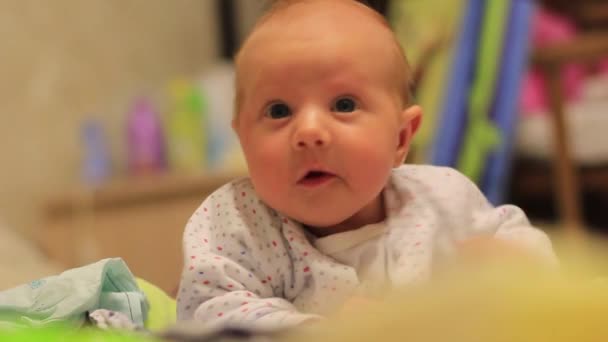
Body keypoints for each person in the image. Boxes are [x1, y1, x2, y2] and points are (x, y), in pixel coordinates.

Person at [176, 0, 556, 332]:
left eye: (343, 105)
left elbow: (521, 255)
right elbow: (212, 313)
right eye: (278, 111)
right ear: (244, 139)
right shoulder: (235, 223)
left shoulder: (443, 199)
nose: (309, 132)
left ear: (401, 138)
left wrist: (515, 268)